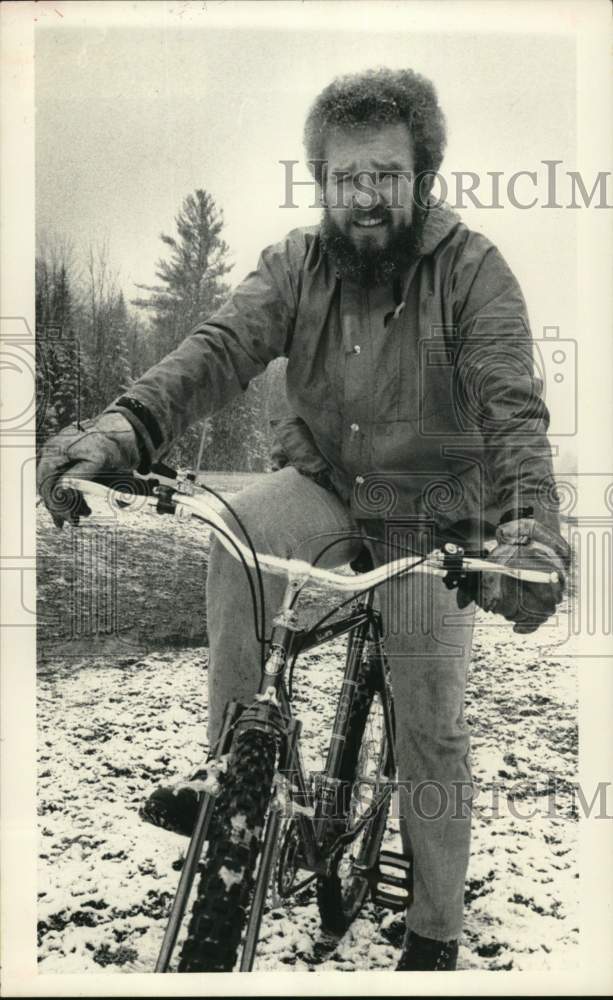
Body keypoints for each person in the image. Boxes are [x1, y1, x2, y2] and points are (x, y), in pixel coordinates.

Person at [37, 67, 570, 971]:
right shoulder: (296, 266)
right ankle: (227, 775)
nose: (365, 197)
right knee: (235, 532)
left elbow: (510, 407)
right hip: (324, 477)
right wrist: (128, 424)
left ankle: (434, 932)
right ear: (320, 179)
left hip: (433, 514)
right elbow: (219, 348)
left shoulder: (473, 271)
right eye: (346, 176)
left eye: (386, 175)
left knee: (431, 720)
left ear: (422, 175)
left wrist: (526, 526)